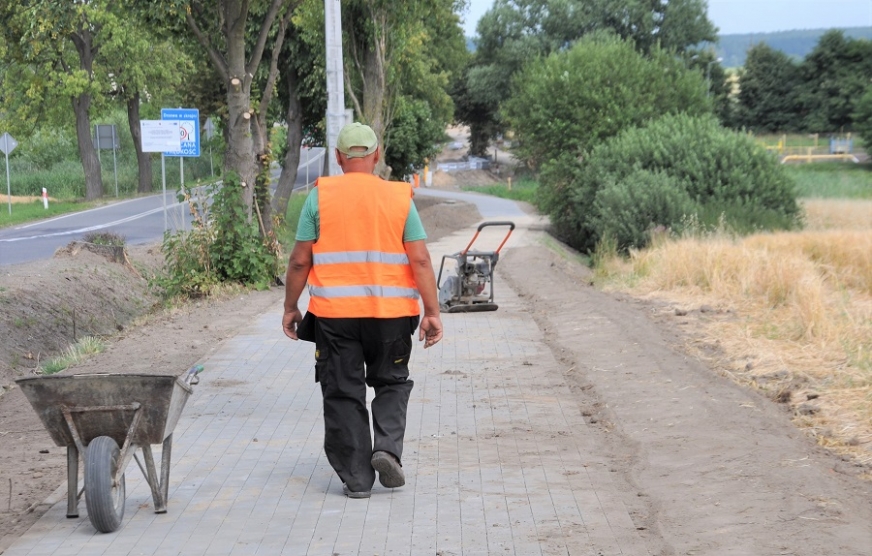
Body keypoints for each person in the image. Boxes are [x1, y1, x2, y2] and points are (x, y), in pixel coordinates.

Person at [282, 122, 443, 499]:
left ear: (338, 158)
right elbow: (419, 260)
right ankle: (386, 449)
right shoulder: (399, 198)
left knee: (343, 392)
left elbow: (299, 262)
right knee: (391, 382)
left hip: (334, 318)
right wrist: (432, 312)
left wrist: (291, 307)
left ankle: (356, 479)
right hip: (391, 316)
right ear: (377, 155)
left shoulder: (319, 198)